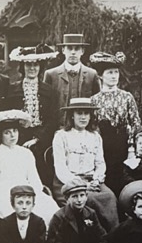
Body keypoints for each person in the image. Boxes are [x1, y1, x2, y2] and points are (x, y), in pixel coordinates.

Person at [51, 98, 119, 232]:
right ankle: (95, 236)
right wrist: (82, 184)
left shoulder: (95, 136)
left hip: (92, 180)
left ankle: (113, 235)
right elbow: (60, 168)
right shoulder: (61, 136)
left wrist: (96, 180)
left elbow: (100, 163)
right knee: (91, 199)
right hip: (68, 181)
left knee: (110, 196)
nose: (83, 117)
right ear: (72, 115)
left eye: (86, 113)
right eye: (79, 113)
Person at [0, 109, 59, 225]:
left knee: (49, 208)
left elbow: (34, 179)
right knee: (11, 212)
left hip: (29, 191)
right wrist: (15, 196)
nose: (13, 135)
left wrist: (32, 194)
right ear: (0, 135)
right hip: (5, 195)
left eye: (15, 131)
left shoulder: (26, 153)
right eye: (7, 132)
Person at [89, 52, 141, 195]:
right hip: (103, 146)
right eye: (110, 72)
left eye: (116, 72)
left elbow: (135, 123)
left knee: (123, 179)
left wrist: (131, 148)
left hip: (123, 145)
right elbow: (92, 127)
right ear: (101, 75)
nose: (114, 76)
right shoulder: (94, 100)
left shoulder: (127, 97)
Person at [5, 44, 60, 178]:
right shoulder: (12, 89)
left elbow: (54, 118)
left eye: (36, 64)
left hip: (42, 140)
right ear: (23, 67)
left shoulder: (49, 91)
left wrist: (38, 139)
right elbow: (7, 117)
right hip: (18, 138)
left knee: (42, 173)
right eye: (28, 64)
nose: (32, 68)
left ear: (40, 67)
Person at [47, 179, 107, 243]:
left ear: (86, 196)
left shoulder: (91, 213)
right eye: (74, 196)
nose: (79, 200)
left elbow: (103, 237)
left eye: (82, 195)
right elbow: (53, 242)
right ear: (67, 199)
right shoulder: (59, 216)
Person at [44, 33, 100, 109]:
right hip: (58, 120)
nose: (73, 52)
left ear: (82, 51)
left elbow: (96, 102)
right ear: (63, 50)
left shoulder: (92, 74)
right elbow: (46, 104)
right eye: (69, 48)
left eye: (77, 49)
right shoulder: (51, 75)